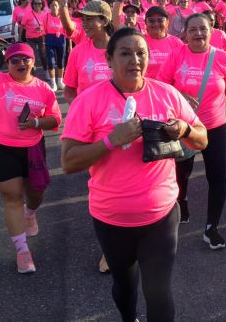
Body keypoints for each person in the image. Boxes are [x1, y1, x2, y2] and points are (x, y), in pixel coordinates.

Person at [61, 27, 208, 322]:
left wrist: (184, 129)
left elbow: (202, 139)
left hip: (161, 214)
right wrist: (110, 140)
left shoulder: (166, 94)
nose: (135, 60)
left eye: (141, 53)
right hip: (111, 218)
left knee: (159, 292)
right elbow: (68, 161)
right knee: (125, 287)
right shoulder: (88, 101)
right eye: (125, 53)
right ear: (110, 59)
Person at [157, 13, 226, 249]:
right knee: (181, 174)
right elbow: (163, 87)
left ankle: (211, 227)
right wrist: (180, 95)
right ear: (184, 32)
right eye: (192, 29)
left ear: (211, 30)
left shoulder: (223, 58)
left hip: (214, 127)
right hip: (184, 128)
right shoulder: (176, 54)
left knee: (218, 177)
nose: (198, 33)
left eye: (203, 29)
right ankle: (181, 201)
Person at [0, 43, 62, 273]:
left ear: (33, 62)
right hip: (2, 147)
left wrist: (35, 122)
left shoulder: (43, 88)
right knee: (12, 196)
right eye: (15, 60)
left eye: (25, 59)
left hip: (33, 147)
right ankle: (22, 251)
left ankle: (30, 213)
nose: (21, 64)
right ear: (7, 64)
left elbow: (55, 120)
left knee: (36, 194)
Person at [142, 6, 185, 79]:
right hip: (146, 87)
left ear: (167, 22)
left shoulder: (177, 43)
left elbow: (183, 69)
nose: (156, 24)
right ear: (145, 23)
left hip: (169, 88)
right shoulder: (140, 41)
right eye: (151, 20)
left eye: (160, 20)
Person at [42, 0, 66, 91]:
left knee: (61, 61)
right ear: (49, 7)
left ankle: (60, 81)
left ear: (59, 6)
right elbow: (43, 30)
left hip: (61, 39)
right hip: (49, 39)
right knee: (51, 61)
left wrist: (70, 45)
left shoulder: (63, 16)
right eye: (52, 5)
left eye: (56, 5)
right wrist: (44, 43)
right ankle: (53, 83)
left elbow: (67, 30)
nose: (54, 7)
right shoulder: (46, 16)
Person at [21, 0, 48, 79]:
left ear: (42, 5)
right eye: (35, 4)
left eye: (39, 4)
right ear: (32, 5)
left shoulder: (45, 14)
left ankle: (46, 72)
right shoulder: (28, 14)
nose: (37, 5)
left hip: (41, 37)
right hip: (30, 37)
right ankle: (32, 73)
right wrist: (31, 29)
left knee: (43, 55)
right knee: (32, 55)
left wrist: (42, 28)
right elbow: (22, 25)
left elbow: (47, 26)